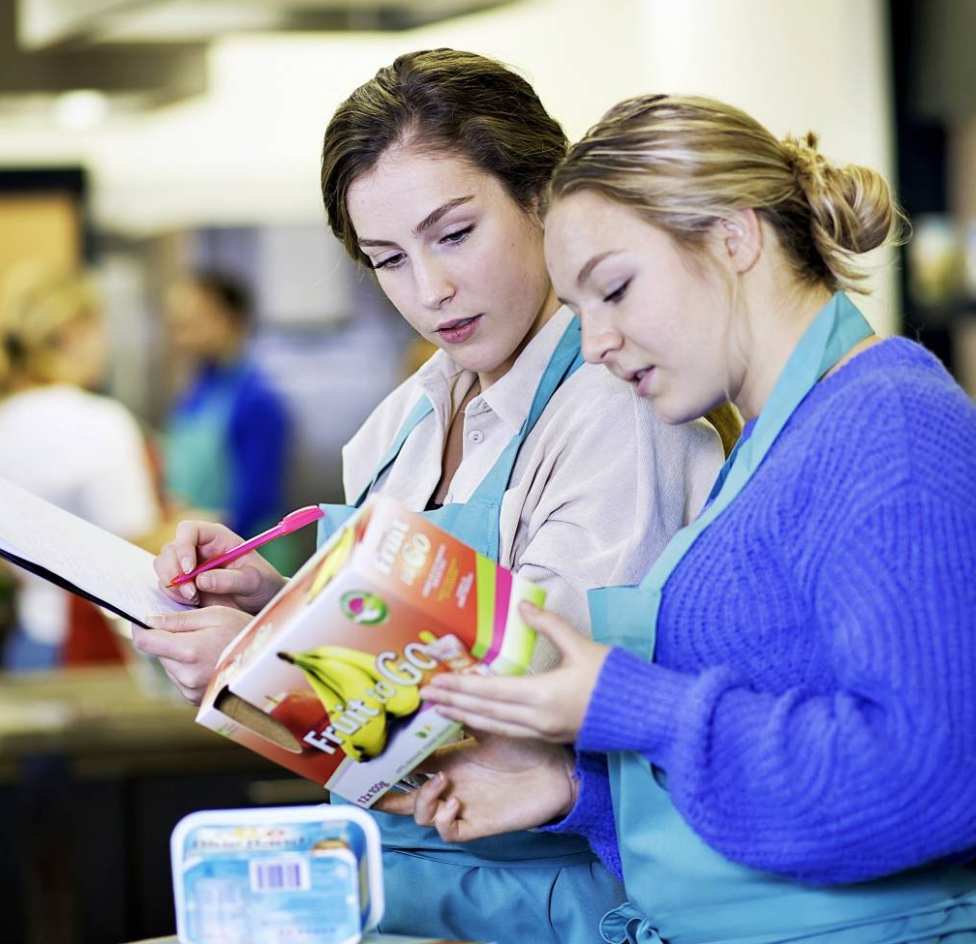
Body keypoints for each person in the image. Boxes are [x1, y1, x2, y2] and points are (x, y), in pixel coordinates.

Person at [134, 51, 728, 942]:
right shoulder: (400, 423)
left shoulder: (617, 403)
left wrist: (278, 668)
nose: (430, 290)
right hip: (399, 878)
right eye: (388, 259)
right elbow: (394, 626)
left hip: (554, 898)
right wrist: (275, 606)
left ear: (542, 197)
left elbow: (538, 686)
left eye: (454, 234)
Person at [393, 94, 976, 943]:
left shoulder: (886, 421)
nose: (595, 342)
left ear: (734, 237)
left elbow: (929, 775)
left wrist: (623, 704)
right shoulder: (777, 444)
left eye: (616, 290)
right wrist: (579, 790)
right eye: (580, 307)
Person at [0, 266, 161, 671]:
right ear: (71, 333)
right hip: (95, 644)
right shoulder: (100, 421)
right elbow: (137, 540)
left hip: (30, 638)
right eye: (99, 330)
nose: (105, 346)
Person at [161, 270, 295, 573]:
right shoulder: (198, 389)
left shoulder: (257, 398)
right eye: (176, 324)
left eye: (191, 322)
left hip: (245, 555)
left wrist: (209, 536)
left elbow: (258, 497)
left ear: (227, 319)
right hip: (199, 550)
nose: (179, 336)